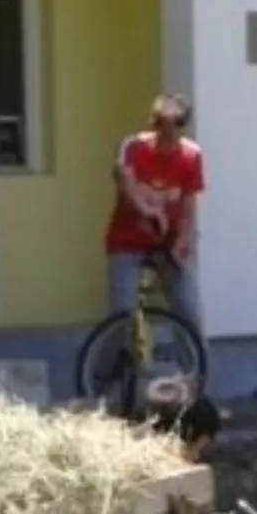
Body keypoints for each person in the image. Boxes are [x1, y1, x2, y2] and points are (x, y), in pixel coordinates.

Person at [103, 93, 204, 323]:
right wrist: (148, 211)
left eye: (175, 124)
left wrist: (182, 241)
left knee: (189, 313)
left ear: (183, 126)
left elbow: (189, 205)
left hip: (168, 243)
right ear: (153, 123)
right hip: (127, 242)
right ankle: (111, 358)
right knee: (120, 318)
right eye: (161, 124)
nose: (167, 132)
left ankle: (193, 358)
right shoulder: (132, 146)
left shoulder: (192, 156)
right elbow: (125, 182)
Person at [138, 375, 223, 463]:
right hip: (176, 439)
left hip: (199, 437)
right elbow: (153, 430)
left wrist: (194, 450)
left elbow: (209, 430)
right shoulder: (158, 409)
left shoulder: (199, 407)